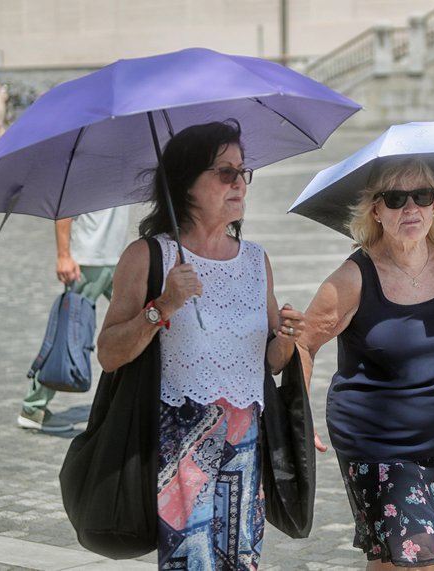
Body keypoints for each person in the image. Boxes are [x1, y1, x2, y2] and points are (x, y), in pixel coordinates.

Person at [97, 120, 303, 569]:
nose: (238, 183)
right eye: (224, 172)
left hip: (246, 441)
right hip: (180, 444)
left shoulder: (255, 260)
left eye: (242, 171)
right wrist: (163, 305)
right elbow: (109, 353)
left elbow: (269, 360)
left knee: (240, 561)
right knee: (192, 564)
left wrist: (286, 339)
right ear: (186, 183)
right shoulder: (149, 256)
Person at [296, 158, 434, 570]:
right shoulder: (354, 277)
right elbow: (304, 343)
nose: (411, 209)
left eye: (422, 196)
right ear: (375, 210)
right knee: (423, 557)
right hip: (376, 445)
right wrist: (298, 419)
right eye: (395, 198)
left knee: (393, 560)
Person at [17, 206, 131, 432]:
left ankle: (135, 400)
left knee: (134, 326)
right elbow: (65, 210)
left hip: (117, 259)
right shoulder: (84, 171)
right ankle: (33, 407)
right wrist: (63, 256)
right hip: (88, 260)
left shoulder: (120, 169)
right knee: (67, 337)